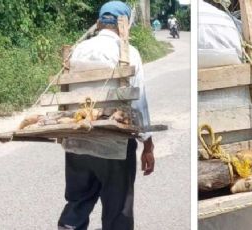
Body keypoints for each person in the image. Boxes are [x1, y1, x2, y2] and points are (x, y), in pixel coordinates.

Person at [57, 1, 155, 230]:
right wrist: (148, 146)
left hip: (76, 141)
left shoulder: (77, 50)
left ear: (99, 23)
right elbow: (139, 104)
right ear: (124, 25)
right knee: (117, 213)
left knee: (77, 203)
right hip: (114, 146)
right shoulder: (127, 52)